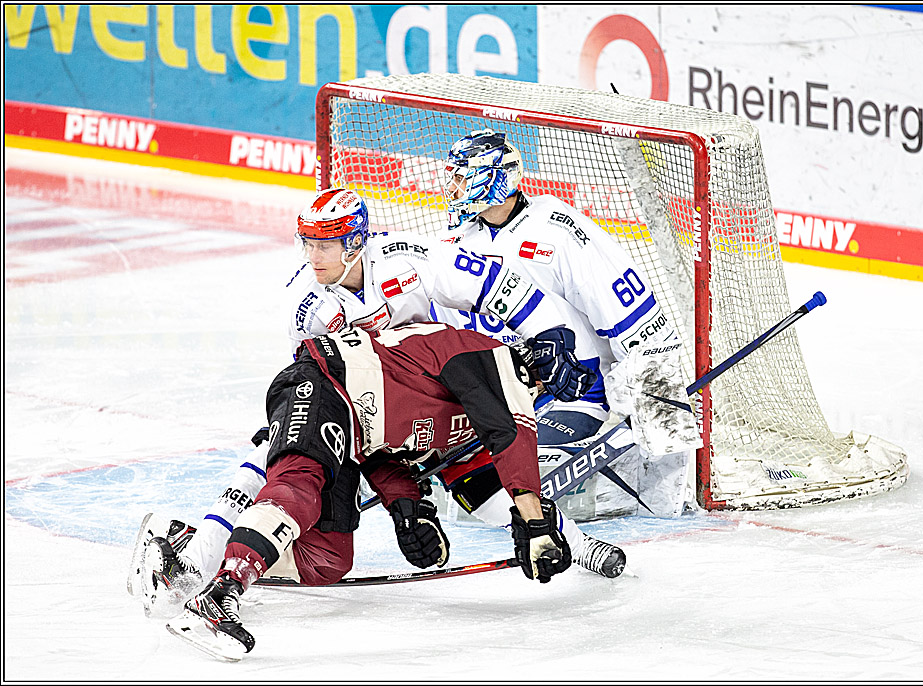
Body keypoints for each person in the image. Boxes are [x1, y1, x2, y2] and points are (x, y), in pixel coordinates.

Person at [128, 188, 625, 616]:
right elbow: (320, 386)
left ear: (357, 241)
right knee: (279, 459)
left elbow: (496, 284)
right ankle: (199, 557)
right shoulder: (305, 304)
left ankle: (580, 548)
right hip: (363, 398)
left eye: (328, 243)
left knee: (484, 500)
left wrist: (544, 339)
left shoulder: (410, 259)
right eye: (308, 242)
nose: (314, 254)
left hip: (433, 392)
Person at [167, 323, 574, 660]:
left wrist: (408, 509)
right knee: (300, 487)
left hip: (355, 436)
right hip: (324, 386)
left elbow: (386, 455)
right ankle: (221, 594)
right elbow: (511, 434)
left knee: (326, 559)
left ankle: (198, 548)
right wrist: (534, 522)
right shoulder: (489, 358)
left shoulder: (469, 408)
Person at [430, 129, 689, 519]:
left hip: (574, 390)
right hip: (505, 392)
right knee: (464, 487)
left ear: (495, 178)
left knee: (515, 486)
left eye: (461, 176)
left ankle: (634, 472)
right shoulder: (459, 240)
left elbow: (635, 322)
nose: (452, 187)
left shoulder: (558, 231)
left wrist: (658, 423)